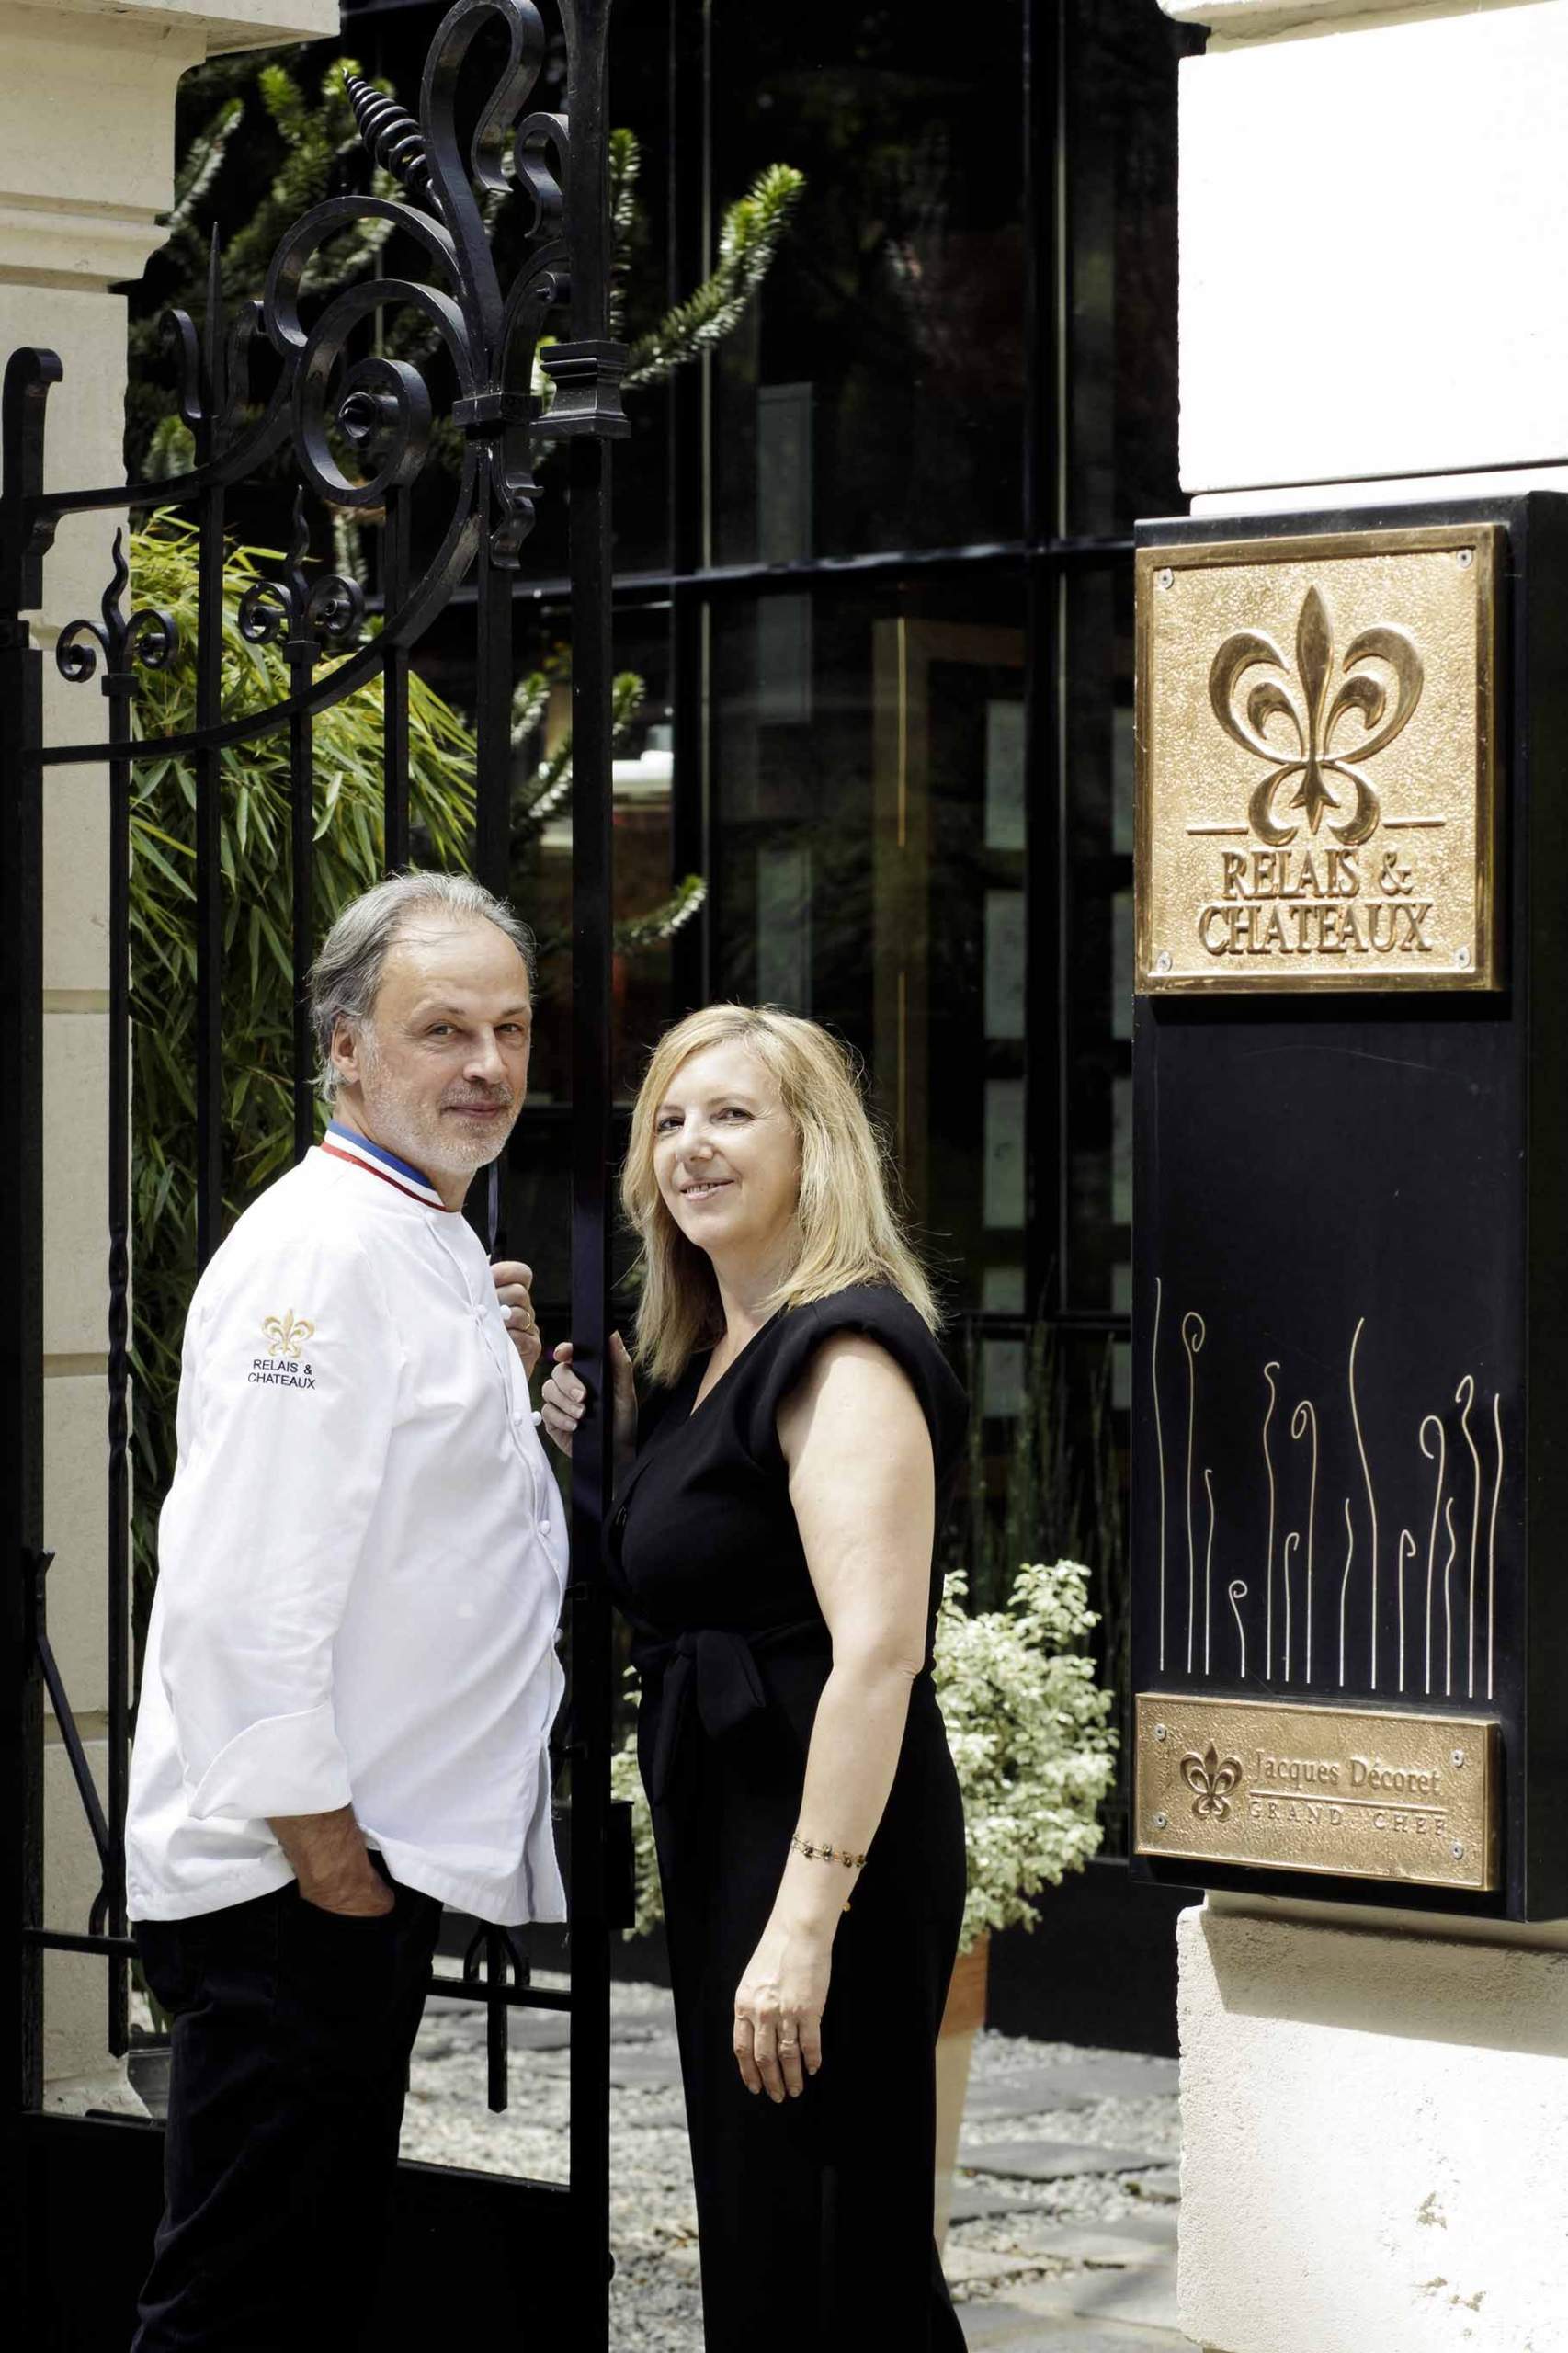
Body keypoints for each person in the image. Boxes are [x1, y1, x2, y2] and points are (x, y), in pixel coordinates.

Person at [124, 870, 565, 2352]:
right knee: (238, 2307)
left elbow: (414, 1518)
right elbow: (243, 1591)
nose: (489, 1067)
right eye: (441, 1030)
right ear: (346, 1050)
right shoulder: (320, 1252)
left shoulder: (423, 1228)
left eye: (509, 1028)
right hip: (289, 1880)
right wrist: (329, 1861)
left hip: (342, 1870)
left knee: (301, 2293)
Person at [542, 1004, 970, 2351]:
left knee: (838, 2252)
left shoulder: (838, 1347)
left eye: (730, 1115)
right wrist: (611, 1454)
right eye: (667, 1120)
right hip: (738, 1833)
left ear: (813, 1146)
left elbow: (877, 1655)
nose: (691, 1147)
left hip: (821, 1854)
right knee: (774, 2236)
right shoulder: (696, 1355)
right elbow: (693, 1564)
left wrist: (803, 1929)